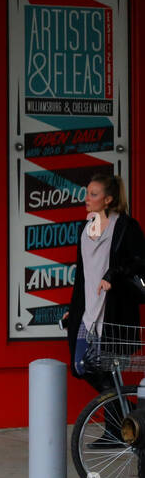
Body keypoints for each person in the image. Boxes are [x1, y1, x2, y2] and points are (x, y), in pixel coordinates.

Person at [62, 174, 145, 446]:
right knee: (81, 366)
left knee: (107, 370)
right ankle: (126, 412)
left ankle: (114, 431)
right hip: (88, 311)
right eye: (87, 193)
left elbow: (139, 261)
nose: (87, 198)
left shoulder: (126, 227)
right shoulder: (85, 229)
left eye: (93, 194)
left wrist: (114, 274)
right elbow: (83, 275)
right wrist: (73, 310)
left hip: (113, 312)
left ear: (108, 199)